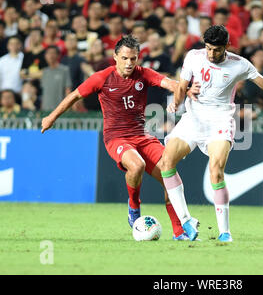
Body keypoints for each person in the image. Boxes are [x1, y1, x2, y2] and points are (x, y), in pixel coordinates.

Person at [159, 25, 263, 242]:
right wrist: (175, 103)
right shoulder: (193, 56)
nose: (212, 54)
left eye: (217, 50)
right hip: (192, 120)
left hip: (220, 120)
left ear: (226, 47)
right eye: (209, 49)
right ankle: (186, 220)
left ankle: (224, 232)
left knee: (216, 171)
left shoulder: (240, 64)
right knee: (166, 162)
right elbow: (182, 86)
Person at [41, 35, 200, 241]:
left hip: (142, 136)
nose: (129, 63)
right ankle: (134, 208)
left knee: (169, 175)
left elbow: (168, 83)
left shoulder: (143, 74)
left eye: (133, 59)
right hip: (116, 138)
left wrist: (185, 89)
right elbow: (75, 96)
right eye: (125, 58)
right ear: (115, 56)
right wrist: (51, 117)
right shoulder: (102, 77)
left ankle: (179, 232)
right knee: (137, 165)